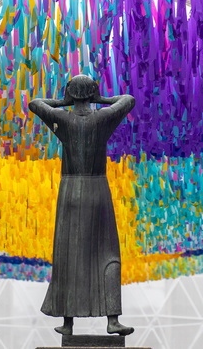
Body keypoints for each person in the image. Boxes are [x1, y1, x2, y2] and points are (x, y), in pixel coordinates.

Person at [28, 75, 135, 337]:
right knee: (107, 252)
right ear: (92, 94)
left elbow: (35, 103)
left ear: (70, 95)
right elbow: (128, 100)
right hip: (97, 190)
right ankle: (112, 319)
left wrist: (64, 102)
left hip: (70, 193)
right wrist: (101, 99)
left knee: (68, 257)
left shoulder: (63, 119)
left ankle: (67, 323)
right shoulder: (102, 119)